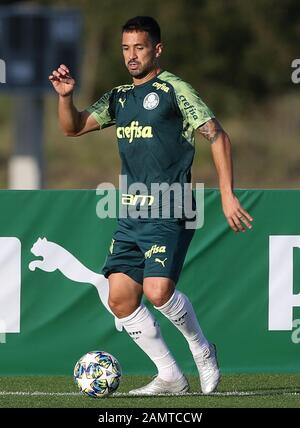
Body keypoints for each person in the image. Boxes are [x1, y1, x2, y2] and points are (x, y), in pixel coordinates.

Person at [49, 16, 253, 395]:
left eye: (139, 47)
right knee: (120, 299)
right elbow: (72, 128)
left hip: (172, 206)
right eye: (126, 48)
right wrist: (65, 97)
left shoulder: (175, 89)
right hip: (130, 214)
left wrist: (227, 193)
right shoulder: (118, 97)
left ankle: (203, 350)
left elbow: (217, 135)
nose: (131, 56)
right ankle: (171, 376)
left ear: (157, 49)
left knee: (158, 292)